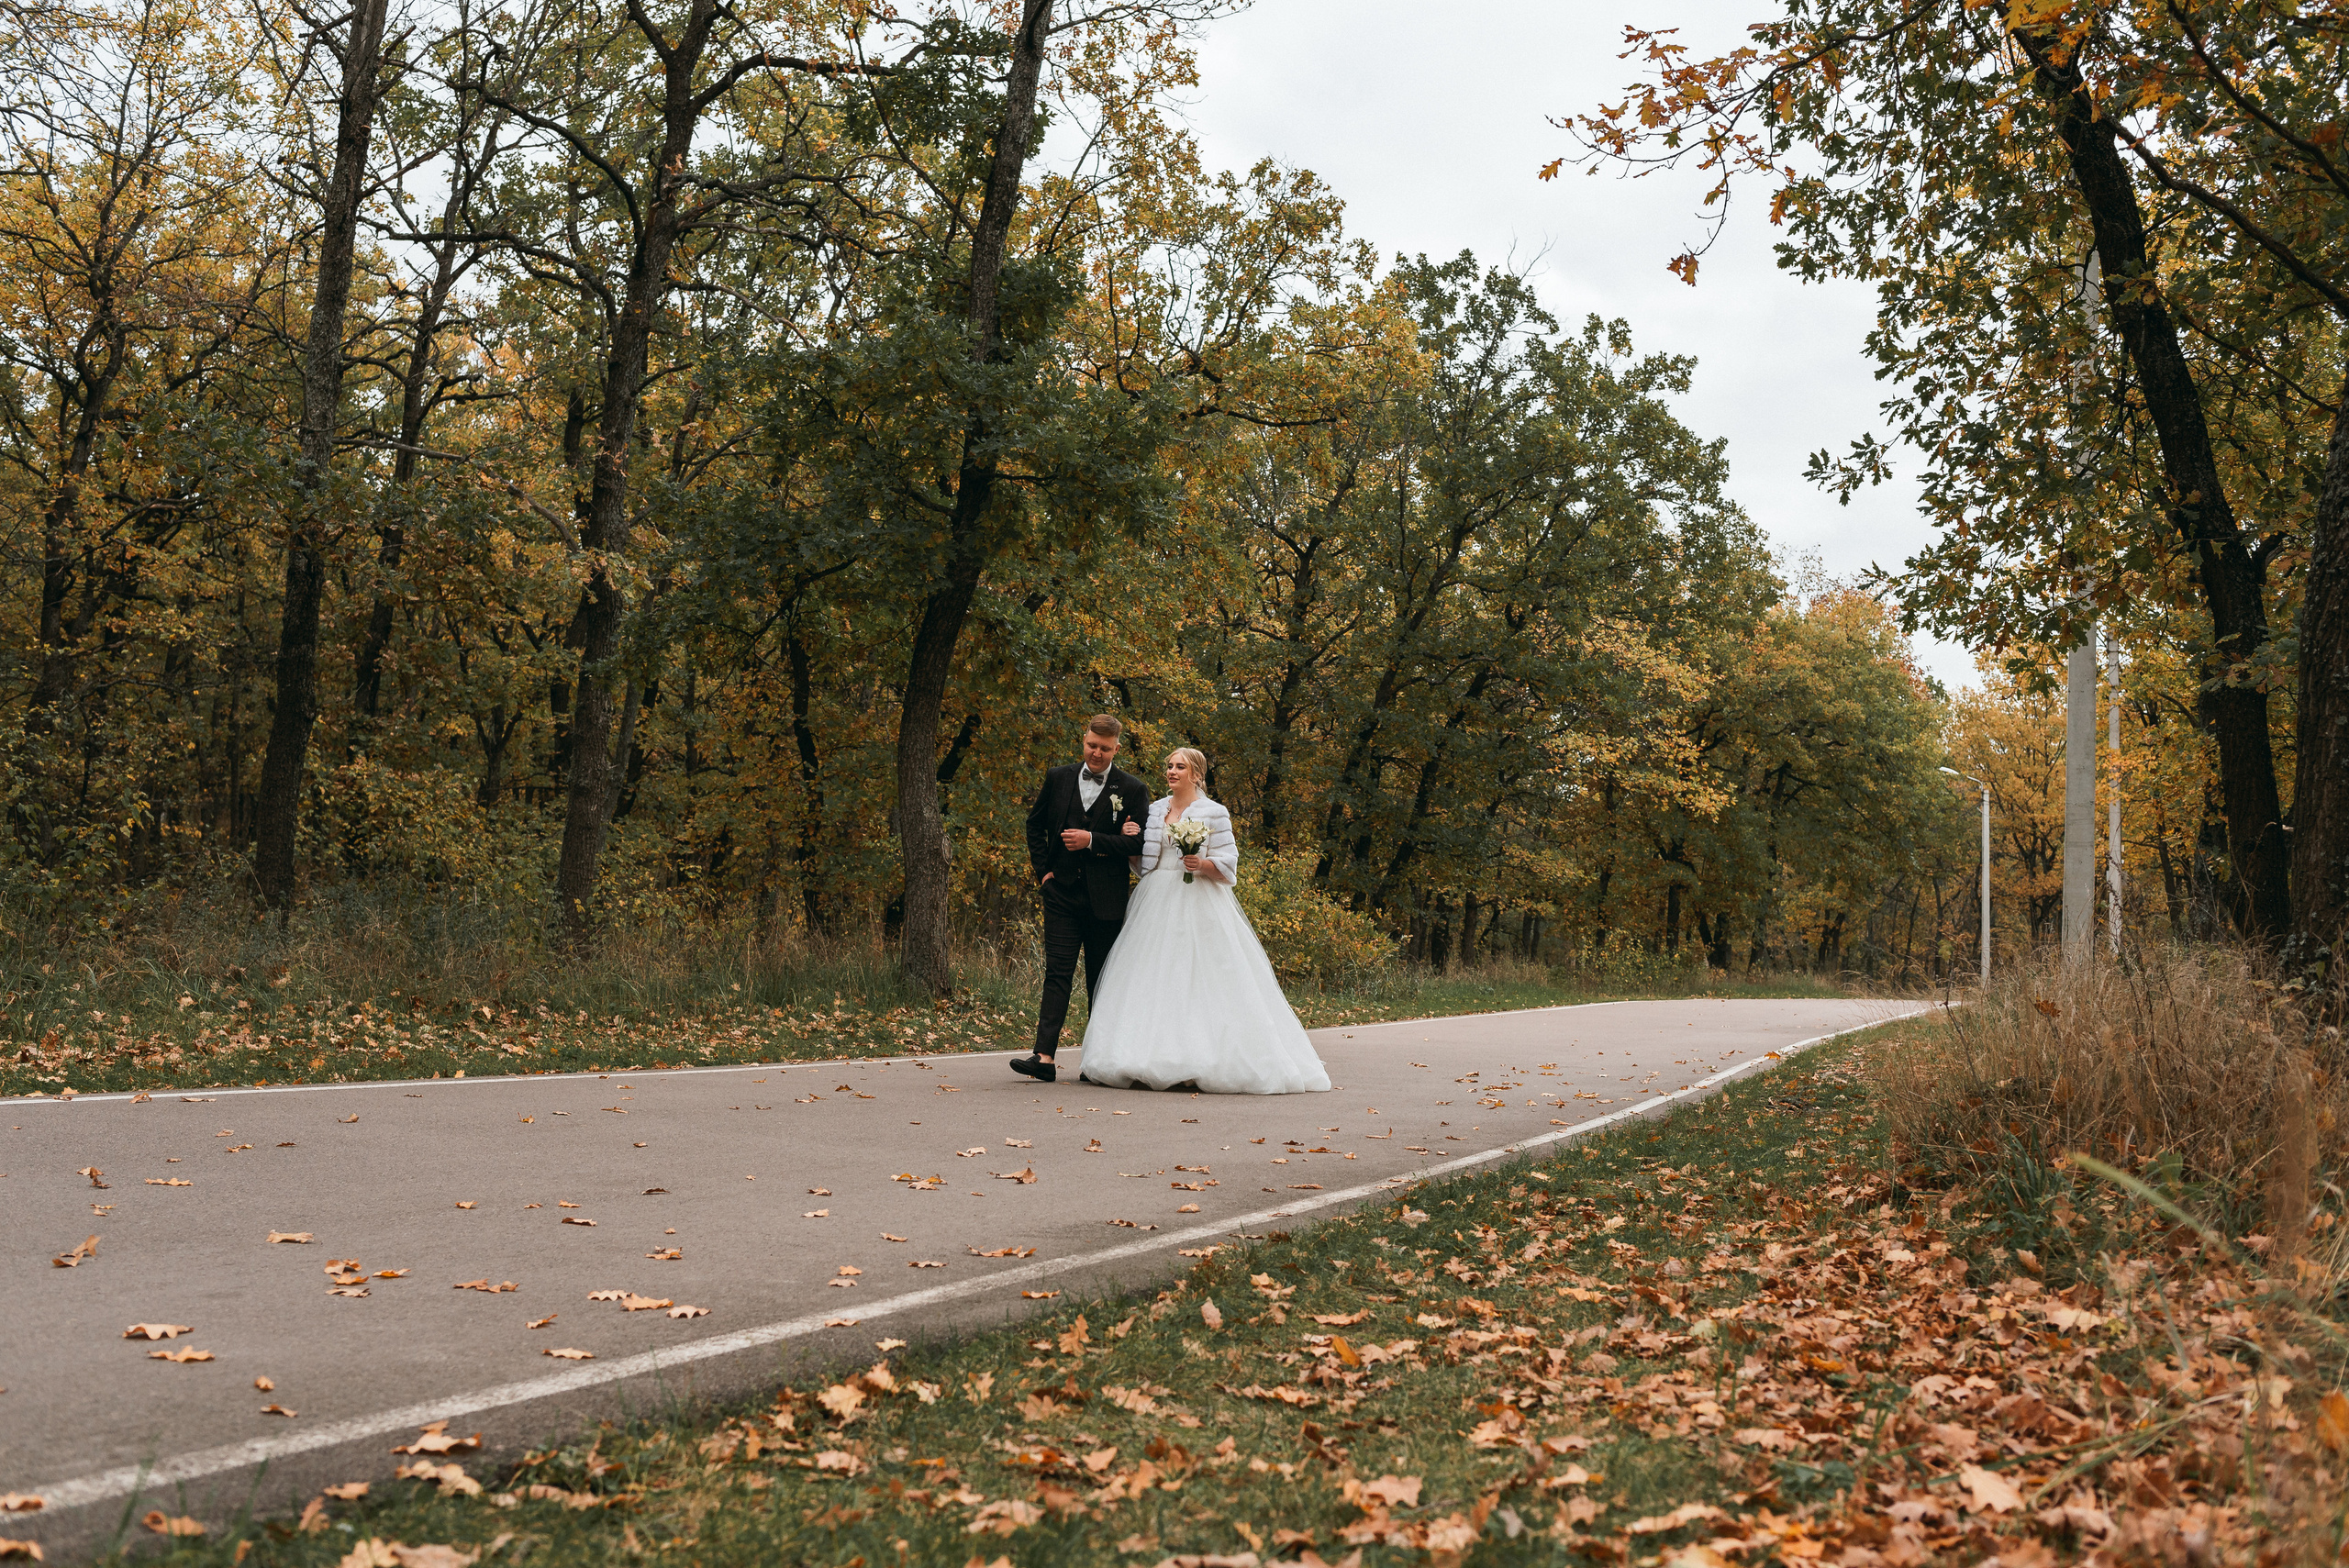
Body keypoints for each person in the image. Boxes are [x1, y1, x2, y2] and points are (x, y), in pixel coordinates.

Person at [1071, 747, 1331, 1095]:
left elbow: (1229, 864)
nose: (1172, 772)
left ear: (1196, 774)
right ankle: (1142, 1057)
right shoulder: (1153, 810)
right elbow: (1144, 863)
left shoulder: (1214, 812)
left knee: (1198, 978)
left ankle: (1200, 1059)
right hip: (1154, 899)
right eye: (1169, 766)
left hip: (1198, 898)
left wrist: (1203, 865)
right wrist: (1131, 843)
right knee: (1152, 978)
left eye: (1180, 767)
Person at [1012, 715, 1151, 1084]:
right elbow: (1034, 825)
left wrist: (1094, 840)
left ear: (1116, 749)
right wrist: (1044, 873)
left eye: (1105, 749)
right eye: (1092, 745)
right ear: (1084, 740)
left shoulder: (1133, 789)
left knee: (1100, 979)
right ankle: (1043, 1057)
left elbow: (1139, 844)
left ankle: (1096, 1062)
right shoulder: (1058, 777)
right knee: (1057, 973)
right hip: (1061, 893)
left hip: (1107, 899)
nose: (1097, 753)